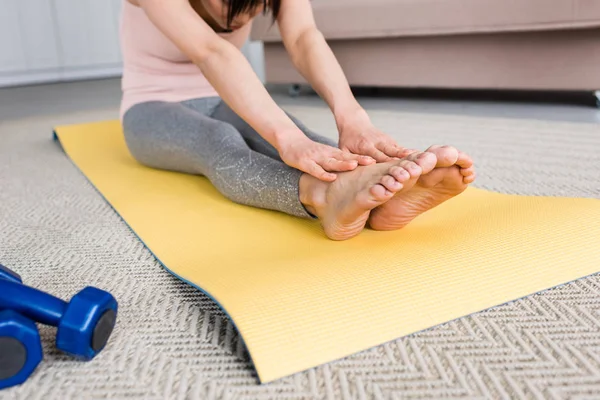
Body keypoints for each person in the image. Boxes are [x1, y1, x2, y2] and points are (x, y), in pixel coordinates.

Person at [119, 0, 476, 240]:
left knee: (306, 140)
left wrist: (352, 118)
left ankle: (375, 198)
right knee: (219, 141)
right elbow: (213, 51)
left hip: (226, 95)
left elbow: (305, 37)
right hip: (151, 107)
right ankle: (323, 197)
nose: (244, 15)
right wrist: (285, 138)